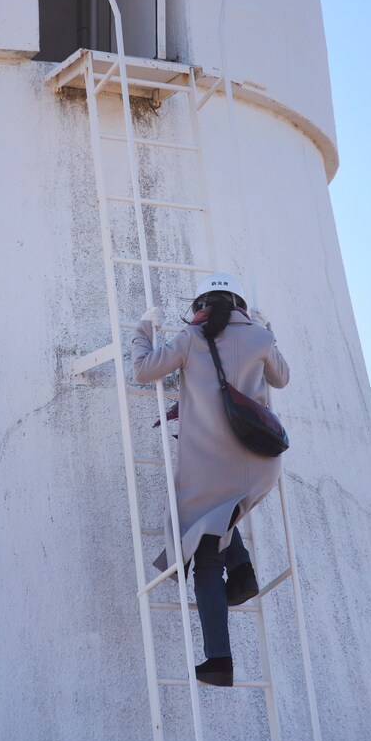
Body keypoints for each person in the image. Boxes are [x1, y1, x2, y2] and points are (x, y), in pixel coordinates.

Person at [131, 272, 290, 687]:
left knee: (204, 549)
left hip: (208, 468)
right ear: (240, 304)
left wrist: (143, 330)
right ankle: (242, 572)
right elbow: (282, 378)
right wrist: (267, 330)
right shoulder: (260, 338)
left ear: (200, 306)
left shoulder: (190, 338)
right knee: (219, 517)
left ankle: (219, 659)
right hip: (259, 462)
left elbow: (144, 370)